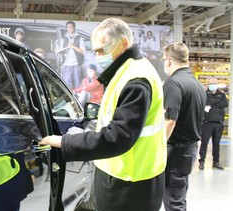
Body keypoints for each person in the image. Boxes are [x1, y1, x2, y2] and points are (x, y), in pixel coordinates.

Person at [40, 18, 166, 211]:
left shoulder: (136, 80)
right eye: (95, 51)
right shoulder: (128, 70)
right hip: (129, 177)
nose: (98, 56)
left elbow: (117, 137)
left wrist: (65, 142)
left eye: (101, 50)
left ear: (123, 43)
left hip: (129, 185)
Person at [161, 42, 207, 211]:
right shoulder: (196, 84)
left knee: (173, 200)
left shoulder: (173, 84)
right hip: (189, 149)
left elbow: (170, 120)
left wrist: (158, 146)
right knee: (178, 197)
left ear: (169, 60)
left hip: (175, 151)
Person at [198, 77, 227, 170]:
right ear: (208, 84)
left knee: (216, 143)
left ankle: (216, 162)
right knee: (204, 143)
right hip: (207, 123)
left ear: (217, 84)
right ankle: (202, 161)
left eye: (214, 83)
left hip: (218, 123)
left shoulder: (221, 95)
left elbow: (224, 104)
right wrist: (215, 103)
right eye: (211, 83)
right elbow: (204, 102)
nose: (213, 85)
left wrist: (211, 104)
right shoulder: (204, 94)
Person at [56, 21, 85, 89]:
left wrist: (72, 46)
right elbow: (59, 50)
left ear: (74, 28)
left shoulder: (79, 38)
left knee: (77, 84)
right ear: (67, 28)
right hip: (66, 64)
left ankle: (77, 98)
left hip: (76, 64)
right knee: (67, 85)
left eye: (71, 27)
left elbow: (83, 52)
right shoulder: (63, 39)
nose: (70, 29)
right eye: (68, 27)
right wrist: (57, 51)